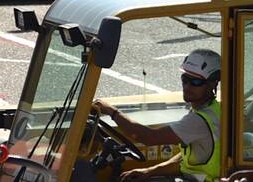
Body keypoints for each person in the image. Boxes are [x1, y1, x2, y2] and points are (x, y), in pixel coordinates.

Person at [91, 47, 222, 179]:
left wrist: (111, 111)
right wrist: (149, 171)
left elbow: (148, 137)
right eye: (185, 79)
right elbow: (184, 160)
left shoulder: (200, 121)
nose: (187, 87)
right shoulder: (208, 109)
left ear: (212, 84)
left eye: (196, 82)